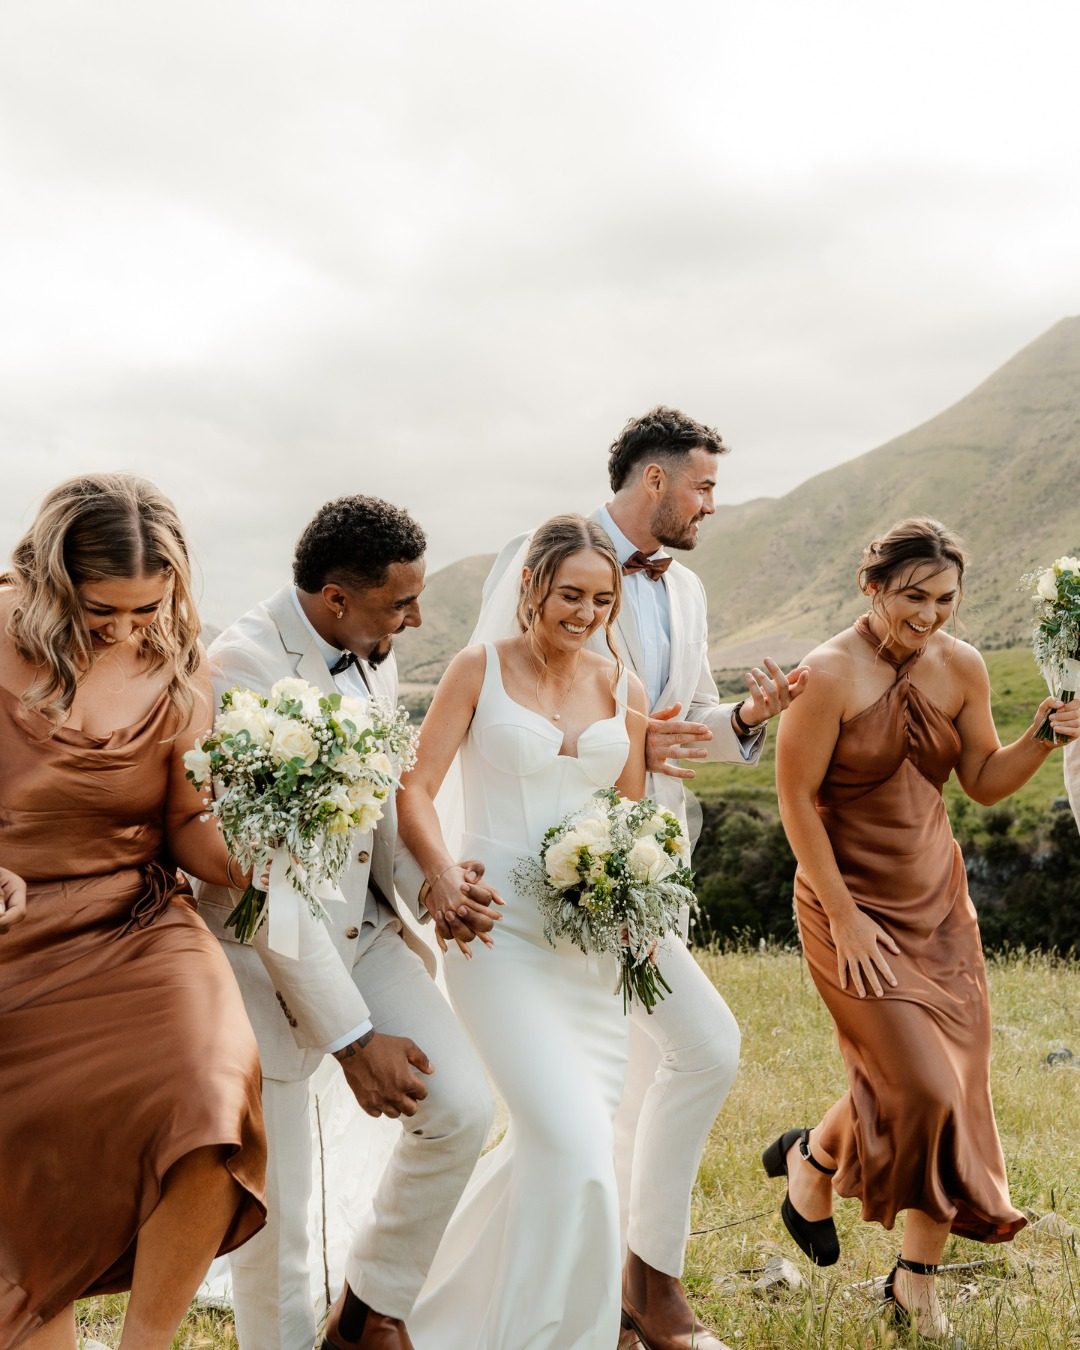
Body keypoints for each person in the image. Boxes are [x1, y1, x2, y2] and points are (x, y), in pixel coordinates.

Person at [480, 407, 807, 1349]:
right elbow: (499, 704)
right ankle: (650, 1286)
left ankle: (609, 1298)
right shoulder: (539, 558)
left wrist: (746, 719)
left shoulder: (686, 591)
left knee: (626, 1087)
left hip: (649, 860)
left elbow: (683, 721)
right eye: (703, 486)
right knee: (700, 1049)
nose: (712, 504)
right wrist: (621, 747)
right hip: (559, 866)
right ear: (654, 479)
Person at [194, 494, 495, 1350]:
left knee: (462, 1108)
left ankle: (366, 1312)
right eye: (402, 603)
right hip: (266, 961)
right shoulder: (242, 671)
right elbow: (267, 885)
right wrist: (354, 1042)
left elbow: (379, 807)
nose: (417, 618)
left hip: (365, 932)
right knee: (280, 1222)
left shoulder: (370, 653)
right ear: (335, 599)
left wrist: (433, 889)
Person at [768, 518, 1079, 1343]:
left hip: (938, 905)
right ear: (871, 587)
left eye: (945, 599)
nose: (931, 614)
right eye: (913, 596)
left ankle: (906, 1278)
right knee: (926, 1087)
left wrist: (1041, 737)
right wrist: (843, 917)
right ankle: (816, 1164)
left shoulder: (962, 665)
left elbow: (981, 780)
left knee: (950, 1086)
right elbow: (794, 801)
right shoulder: (827, 673)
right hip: (847, 905)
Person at [0, 473, 266, 1350]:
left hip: (135, 919)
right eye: (101, 610)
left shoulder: (181, 662)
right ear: (51, 581)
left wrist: (251, 859)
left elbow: (185, 820)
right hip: (10, 933)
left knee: (211, 1089)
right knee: (26, 1143)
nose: (125, 631)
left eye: (146, 608)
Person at [399, 514, 650, 1349]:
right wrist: (440, 873)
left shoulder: (623, 687)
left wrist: (638, 906)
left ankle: (454, 1319)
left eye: (602, 601)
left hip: (591, 951)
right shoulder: (480, 669)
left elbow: (630, 815)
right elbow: (414, 788)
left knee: (566, 1150)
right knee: (574, 1146)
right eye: (571, 595)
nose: (585, 613)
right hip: (495, 933)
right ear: (533, 587)